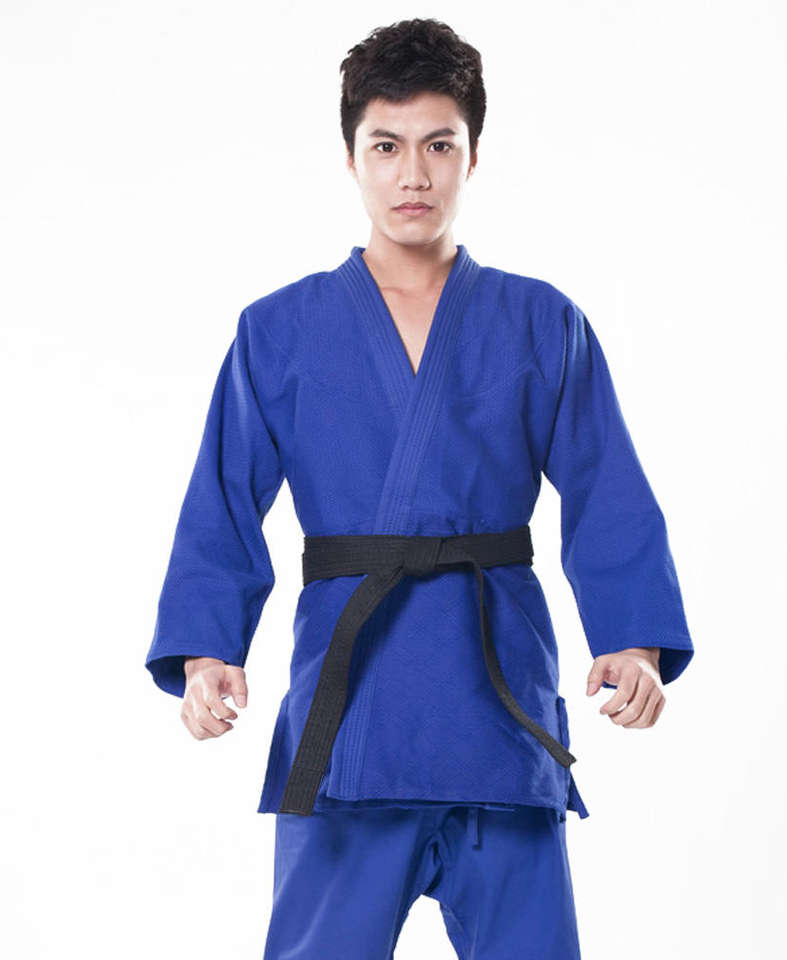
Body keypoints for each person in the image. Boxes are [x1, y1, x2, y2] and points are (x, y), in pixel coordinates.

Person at [144, 17, 694, 960]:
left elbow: (608, 489)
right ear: (350, 157)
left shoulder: (542, 321)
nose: (414, 174)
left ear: (474, 156)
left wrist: (633, 642)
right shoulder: (278, 329)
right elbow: (221, 501)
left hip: (497, 713)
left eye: (440, 145)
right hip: (348, 722)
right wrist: (205, 654)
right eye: (387, 146)